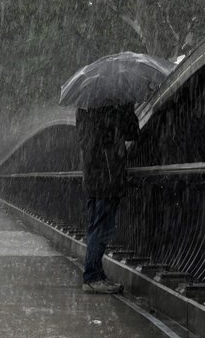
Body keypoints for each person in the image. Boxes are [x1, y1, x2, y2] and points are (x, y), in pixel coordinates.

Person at [76, 103, 138, 294]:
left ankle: (96, 274)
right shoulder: (110, 109)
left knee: (97, 226)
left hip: (94, 178)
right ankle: (92, 277)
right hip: (107, 177)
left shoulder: (85, 108)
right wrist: (127, 108)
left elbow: (86, 140)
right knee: (101, 227)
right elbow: (132, 132)